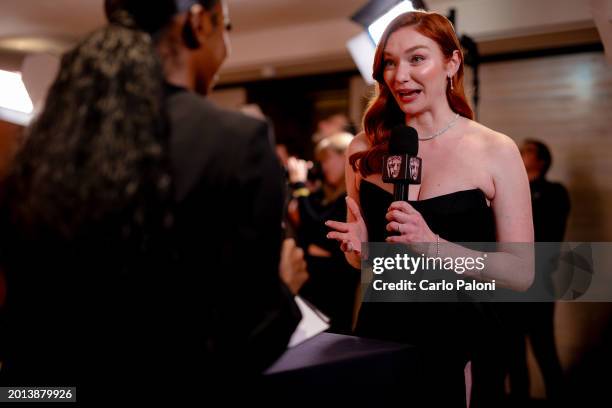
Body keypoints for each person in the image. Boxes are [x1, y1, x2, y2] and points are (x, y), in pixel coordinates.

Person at [0, 0, 306, 401]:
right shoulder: (235, 143)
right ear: (199, 22)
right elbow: (237, 348)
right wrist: (282, 291)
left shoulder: (46, 143)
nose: (227, 48)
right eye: (225, 28)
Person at [326, 11, 534, 407]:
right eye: (389, 61)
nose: (399, 75)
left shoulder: (496, 150)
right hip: (379, 333)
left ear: (451, 63)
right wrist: (361, 251)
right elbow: (367, 264)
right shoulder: (363, 149)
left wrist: (434, 245)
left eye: (416, 58)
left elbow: (522, 272)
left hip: (460, 341)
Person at [505, 139, 570, 405]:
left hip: (539, 281)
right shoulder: (513, 191)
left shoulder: (554, 192)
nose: (521, 154)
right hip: (511, 283)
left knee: (544, 348)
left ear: (542, 160)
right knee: (513, 352)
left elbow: (545, 232)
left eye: (527, 151)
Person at [286, 132, 359, 334]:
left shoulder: (349, 197)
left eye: (326, 159)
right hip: (319, 289)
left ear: (344, 156)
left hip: (335, 292)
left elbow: (318, 229)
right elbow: (309, 229)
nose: (323, 167)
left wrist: (300, 186)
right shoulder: (326, 194)